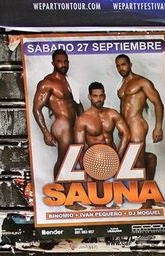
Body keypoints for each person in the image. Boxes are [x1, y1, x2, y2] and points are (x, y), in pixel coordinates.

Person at [115, 53, 165, 209]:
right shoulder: (122, 85)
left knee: (136, 161)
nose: (121, 68)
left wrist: (158, 126)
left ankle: (147, 201)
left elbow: (158, 103)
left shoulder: (142, 81)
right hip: (126, 126)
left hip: (137, 124)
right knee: (145, 158)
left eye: (123, 64)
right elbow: (123, 106)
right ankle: (151, 195)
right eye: (118, 66)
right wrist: (120, 126)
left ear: (130, 64)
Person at [73, 82, 130, 208]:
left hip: (113, 155)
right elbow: (79, 146)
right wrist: (87, 169)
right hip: (95, 159)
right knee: (99, 198)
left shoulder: (112, 114)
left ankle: (114, 198)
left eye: (101, 96)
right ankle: (100, 202)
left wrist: (119, 155)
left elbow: (126, 133)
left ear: (104, 96)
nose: (98, 99)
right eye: (95, 96)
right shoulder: (83, 119)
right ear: (89, 97)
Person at [32, 48, 83, 181]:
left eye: (66, 61)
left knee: (73, 158)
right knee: (65, 158)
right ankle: (59, 193)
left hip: (73, 124)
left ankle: (66, 194)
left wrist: (84, 123)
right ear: (53, 63)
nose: (63, 64)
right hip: (61, 124)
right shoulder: (47, 83)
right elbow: (36, 109)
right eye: (59, 62)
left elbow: (77, 103)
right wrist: (45, 133)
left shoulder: (70, 81)